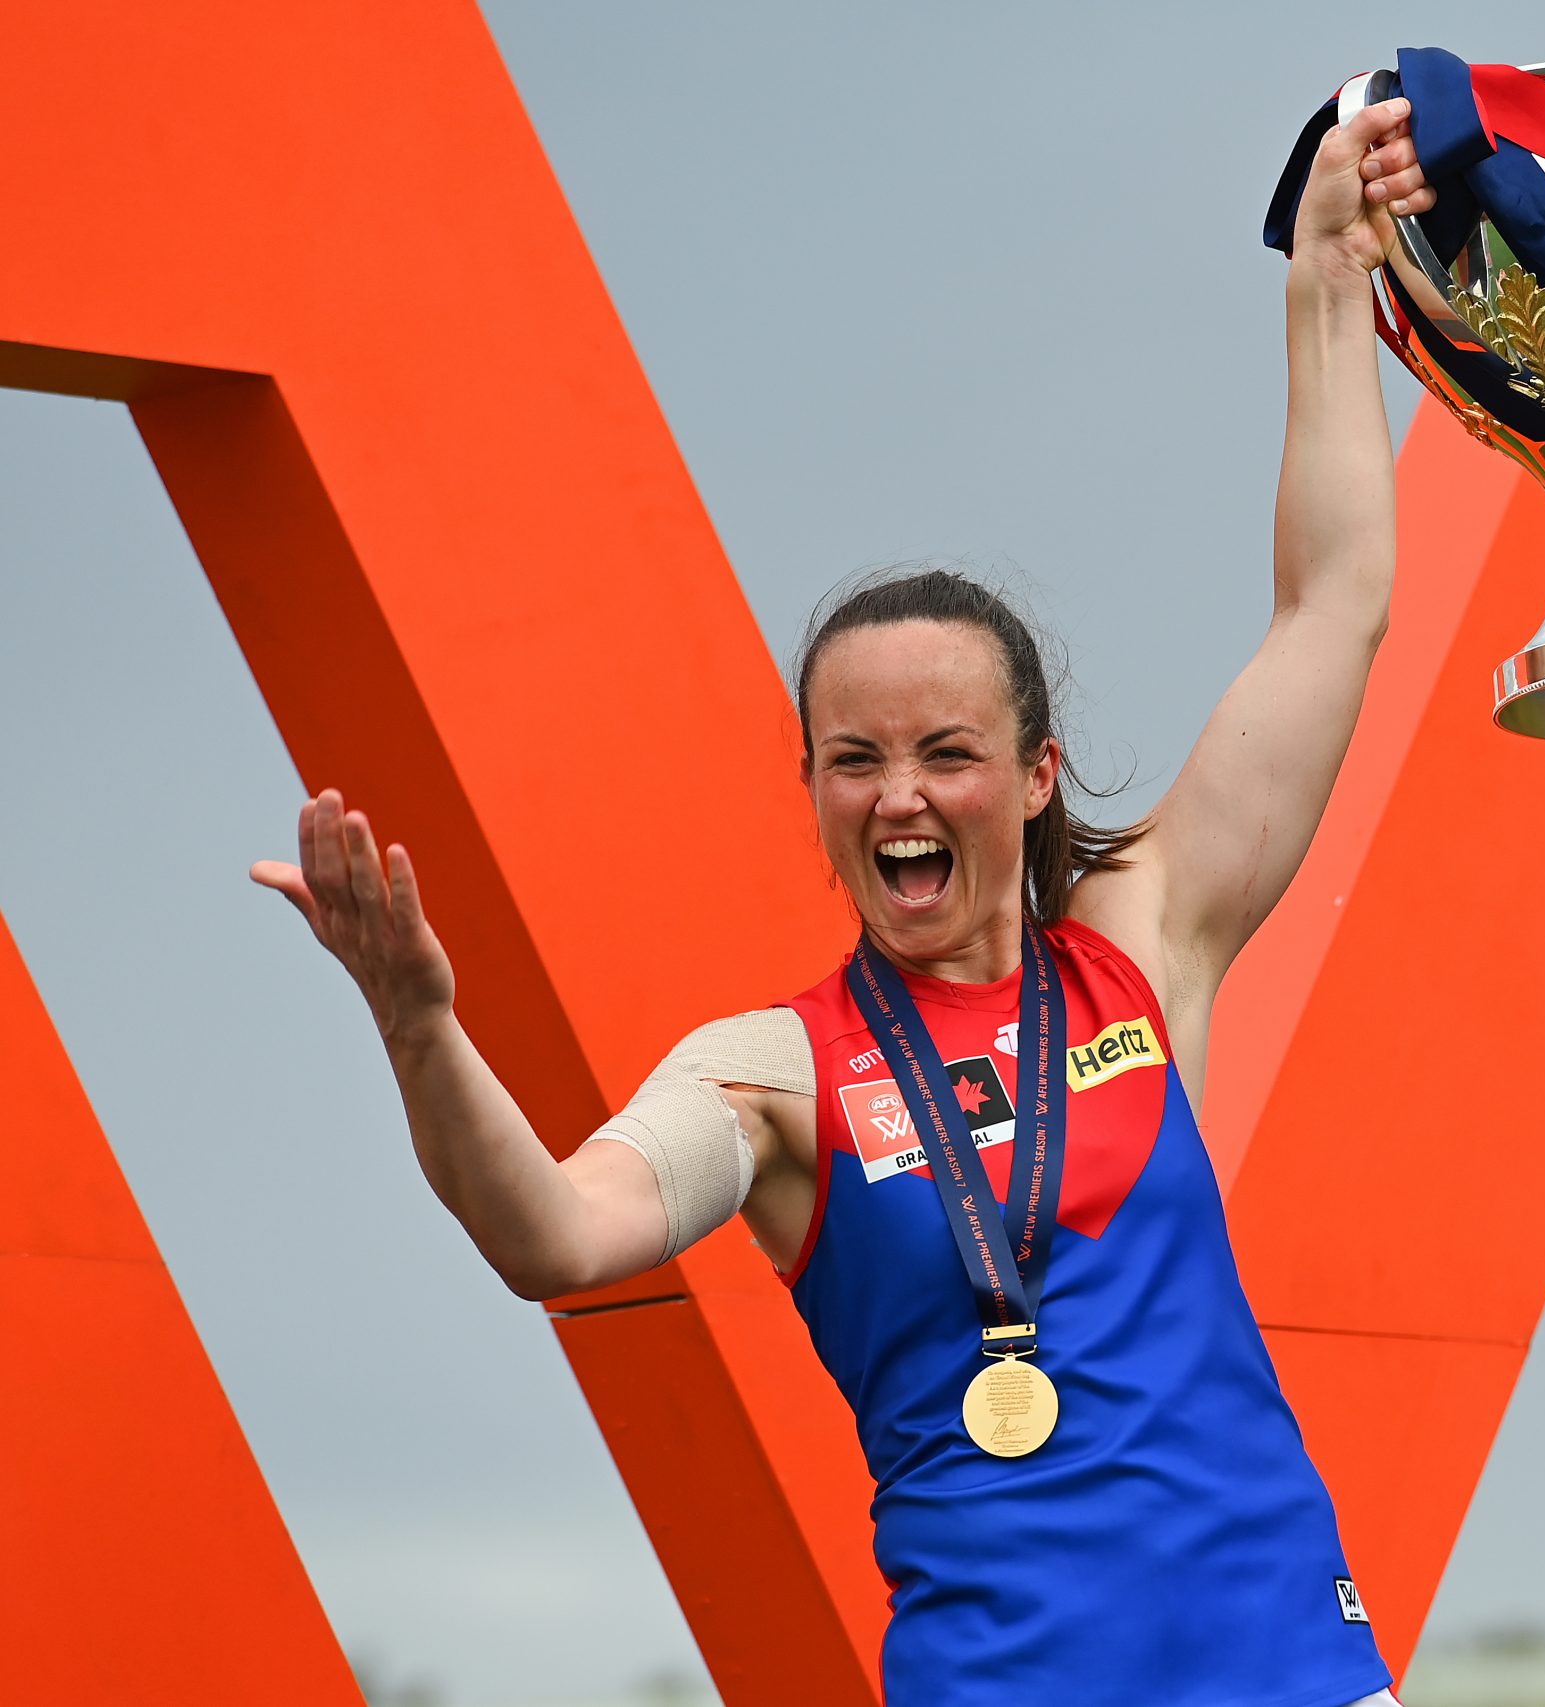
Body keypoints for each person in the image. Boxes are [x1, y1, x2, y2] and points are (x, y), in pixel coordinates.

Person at [250, 97, 1435, 1707]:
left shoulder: (1146, 943)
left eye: (947, 752)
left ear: (1033, 774)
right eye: (851, 759)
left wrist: (1324, 281)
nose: (897, 796)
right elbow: (552, 1235)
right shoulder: (774, 1074)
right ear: (814, 788)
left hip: (1296, 1672)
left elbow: (1338, 604)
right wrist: (420, 1026)